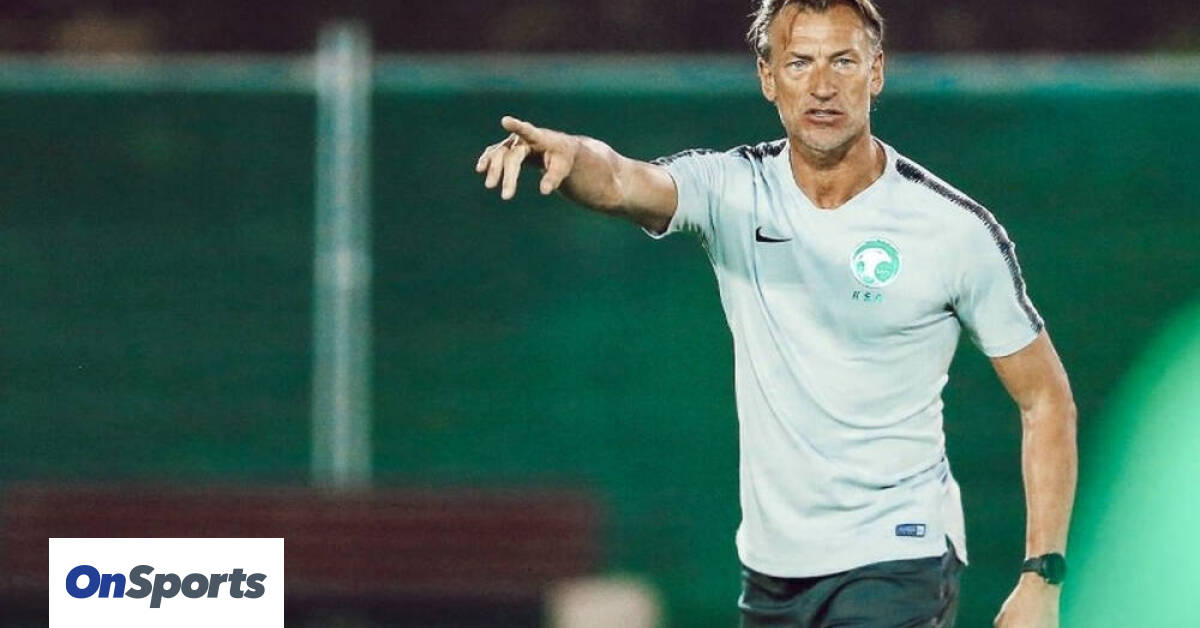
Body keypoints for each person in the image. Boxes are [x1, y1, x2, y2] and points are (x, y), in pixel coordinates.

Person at [473, 1, 1077, 626]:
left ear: (876, 71)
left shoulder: (954, 229)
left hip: (899, 555)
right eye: (799, 63)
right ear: (768, 77)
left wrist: (1042, 577)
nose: (822, 85)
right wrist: (571, 153)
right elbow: (623, 181)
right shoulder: (730, 188)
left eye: (843, 61)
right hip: (772, 571)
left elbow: (1045, 398)